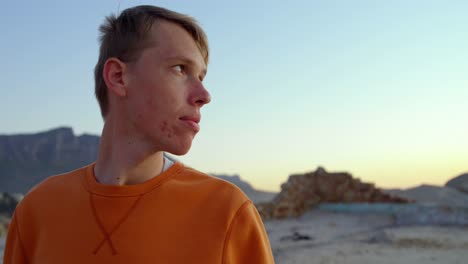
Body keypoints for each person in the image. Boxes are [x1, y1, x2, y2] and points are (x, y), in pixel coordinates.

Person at [3, 5, 274, 264]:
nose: (204, 96)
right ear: (119, 77)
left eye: (201, 77)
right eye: (180, 69)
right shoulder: (37, 211)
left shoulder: (228, 213)